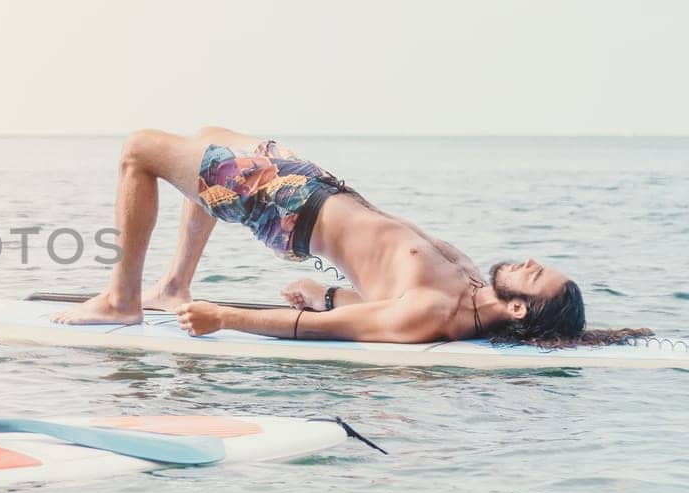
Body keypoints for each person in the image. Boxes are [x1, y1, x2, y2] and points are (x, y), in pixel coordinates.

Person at [54, 126, 645, 347]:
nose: (531, 260)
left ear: (518, 308)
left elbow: (314, 332)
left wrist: (225, 316)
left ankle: (122, 299)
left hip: (286, 206)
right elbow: (369, 303)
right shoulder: (465, 290)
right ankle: (172, 285)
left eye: (535, 276)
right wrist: (330, 292)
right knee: (207, 134)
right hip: (314, 187)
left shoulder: (434, 313)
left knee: (139, 151)